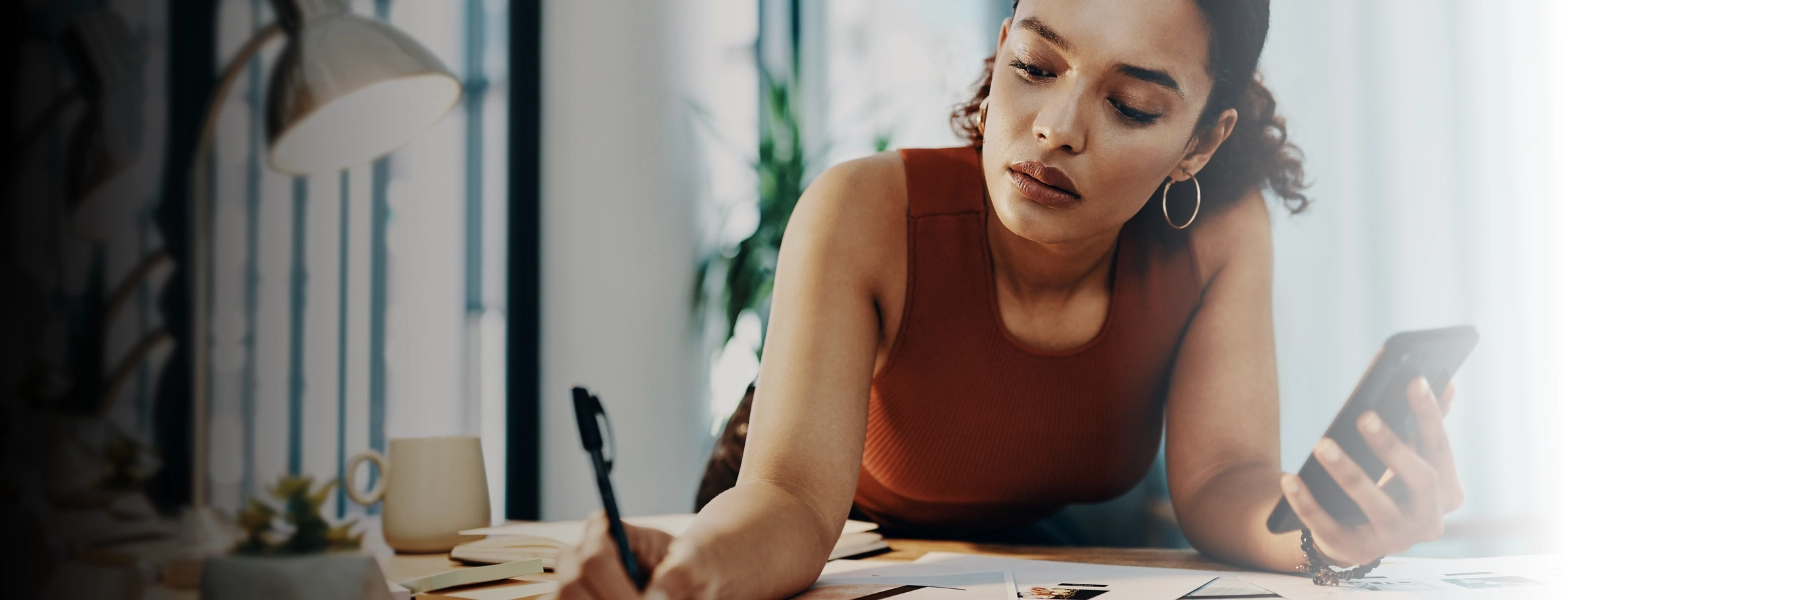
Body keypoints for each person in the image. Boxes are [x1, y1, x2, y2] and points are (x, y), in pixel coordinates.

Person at [556, 1, 1465, 598]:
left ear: (1199, 142)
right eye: (1037, 65)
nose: (1056, 129)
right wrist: (692, 572)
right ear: (1002, 54)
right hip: (828, 534)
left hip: (1055, 556)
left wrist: (1327, 533)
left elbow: (1223, 481)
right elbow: (793, 500)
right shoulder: (862, 211)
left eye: (1134, 108)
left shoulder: (1220, 232)